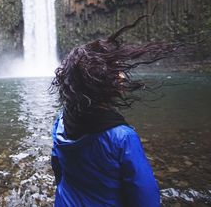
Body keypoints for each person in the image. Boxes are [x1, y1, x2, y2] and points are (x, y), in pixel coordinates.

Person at [50, 22, 177, 207]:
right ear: (101, 83)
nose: (122, 76)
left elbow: (58, 168)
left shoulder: (61, 121)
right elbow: (146, 198)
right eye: (117, 72)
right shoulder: (122, 138)